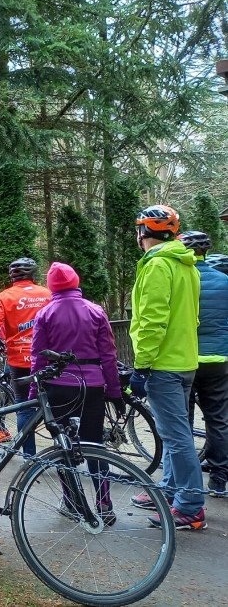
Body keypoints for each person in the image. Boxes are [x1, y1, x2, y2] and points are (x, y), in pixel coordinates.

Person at [128, 204, 206, 531]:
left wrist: (142, 366)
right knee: (174, 432)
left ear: (144, 233)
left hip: (163, 364)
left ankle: (189, 506)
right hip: (185, 361)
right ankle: (172, 491)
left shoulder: (158, 265)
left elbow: (152, 322)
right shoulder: (187, 265)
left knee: (176, 437)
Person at [30, 262, 122, 523]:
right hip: (92, 386)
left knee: (63, 445)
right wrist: (114, 392)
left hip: (58, 386)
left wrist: (35, 392)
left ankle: (71, 500)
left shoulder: (45, 314)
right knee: (94, 443)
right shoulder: (95, 311)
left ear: (52, 286)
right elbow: (109, 356)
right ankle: (104, 502)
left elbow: (38, 358)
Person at [0, 258, 51, 451]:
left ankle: (30, 456)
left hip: (20, 360)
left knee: (23, 406)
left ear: (12, 276)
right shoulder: (47, 294)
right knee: (53, 403)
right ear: (33, 274)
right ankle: (62, 452)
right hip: (46, 358)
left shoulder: (5, 297)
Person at [177, 231, 228, 497]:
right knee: (218, 419)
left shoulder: (184, 279)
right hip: (219, 361)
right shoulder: (224, 281)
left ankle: (187, 480)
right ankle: (219, 480)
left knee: (182, 421)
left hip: (186, 359)